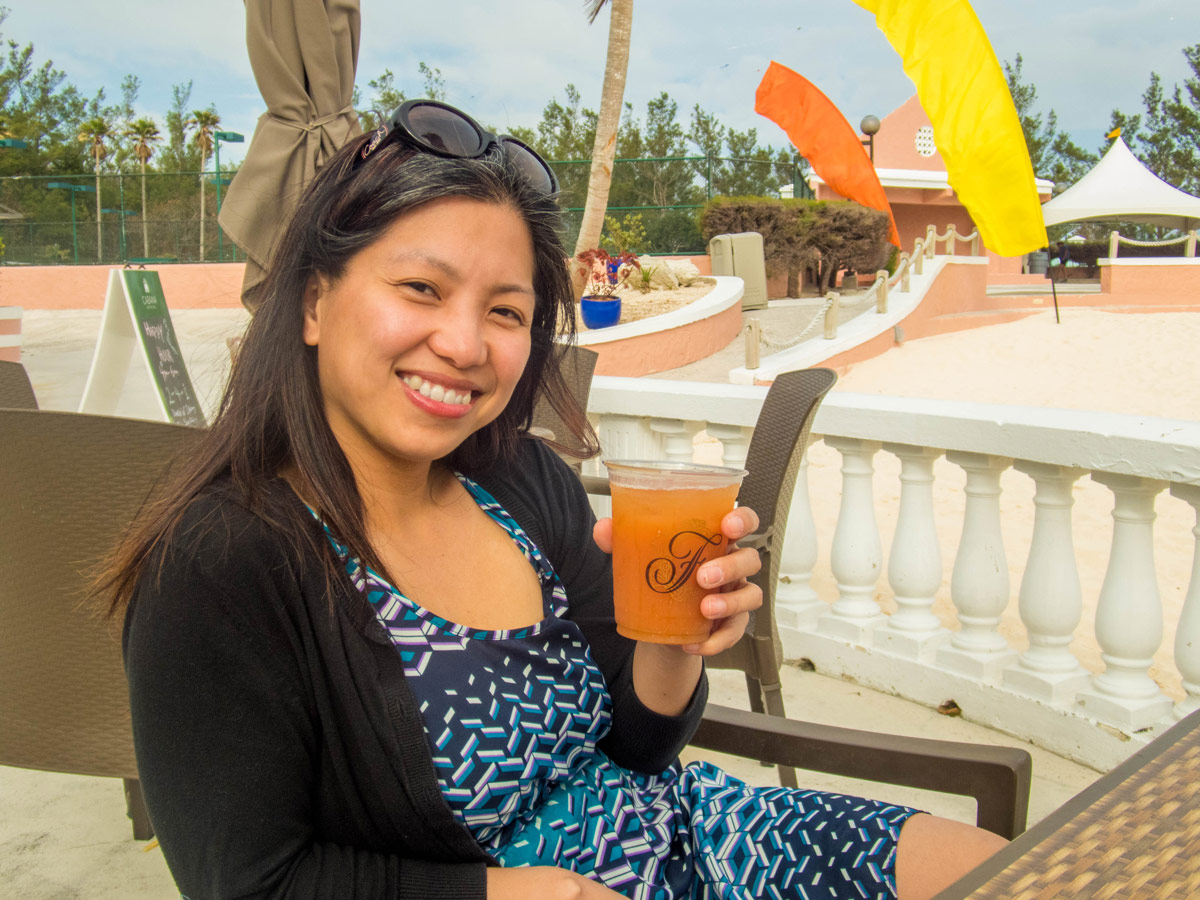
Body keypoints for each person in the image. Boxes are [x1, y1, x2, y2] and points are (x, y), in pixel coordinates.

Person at [102, 99, 1005, 900]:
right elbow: (251, 880)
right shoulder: (223, 561)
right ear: (311, 302)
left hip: (699, 834)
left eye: (505, 311)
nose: (464, 344)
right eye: (421, 288)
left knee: (1003, 872)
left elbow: (639, 748)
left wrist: (675, 642)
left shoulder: (520, 482)